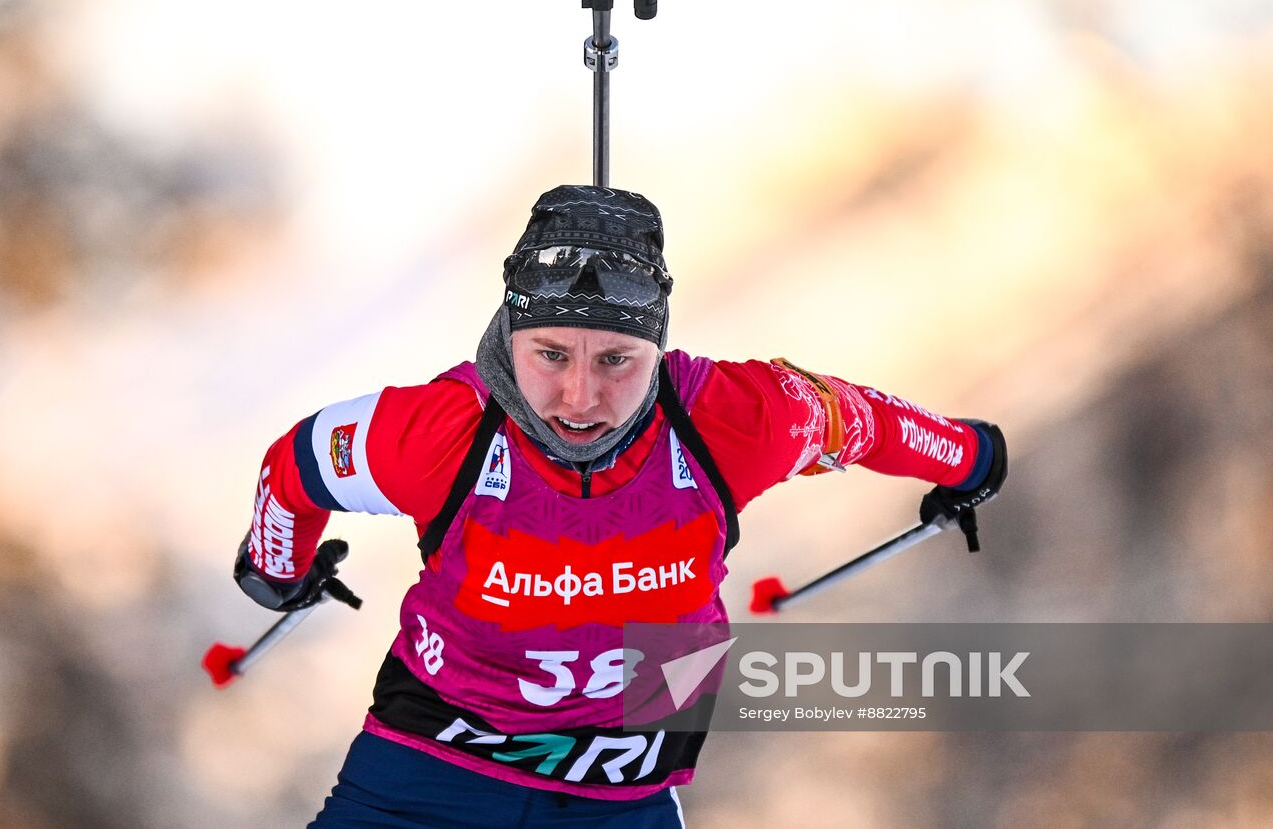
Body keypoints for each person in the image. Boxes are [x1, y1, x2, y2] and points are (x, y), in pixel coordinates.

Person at [232, 184, 1008, 827]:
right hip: (429, 772)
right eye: (550, 355)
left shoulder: (733, 420)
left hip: (621, 793)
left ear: (658, 347)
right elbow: (294, 466)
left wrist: (972, 456)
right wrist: (275, 568)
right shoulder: (437, 431)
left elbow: (866, 420)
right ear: (511, 333)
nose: (579, 397)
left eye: (616, 361)